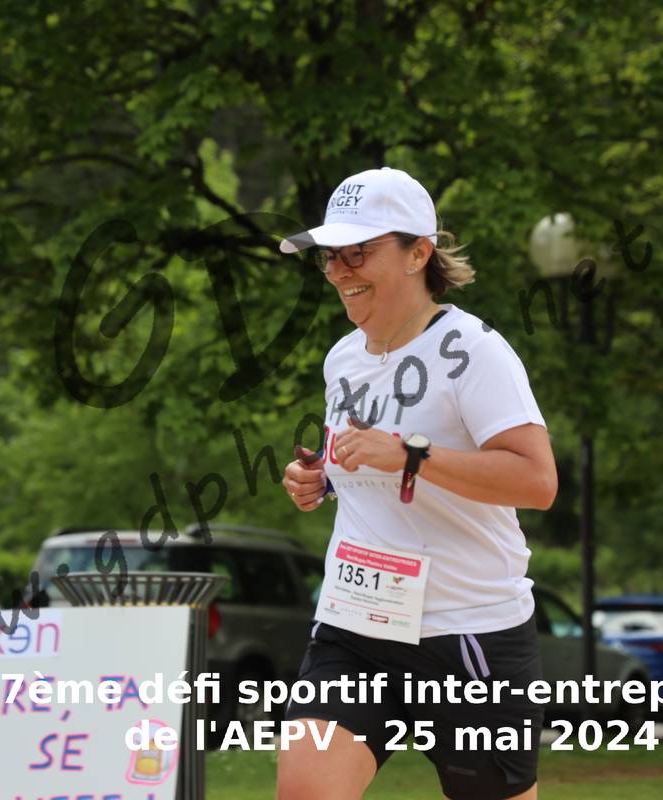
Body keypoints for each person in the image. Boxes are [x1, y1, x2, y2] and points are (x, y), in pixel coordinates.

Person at [276, 167, 557, 800]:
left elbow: (537, 481)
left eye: (358, 252)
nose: (339, 271)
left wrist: (410, 455)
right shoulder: (343, 358)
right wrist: (321, 478)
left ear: (418, 253)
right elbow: (367, 462)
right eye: (330, 256)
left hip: (468, 632)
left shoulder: (475, 349)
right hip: (354, 626)